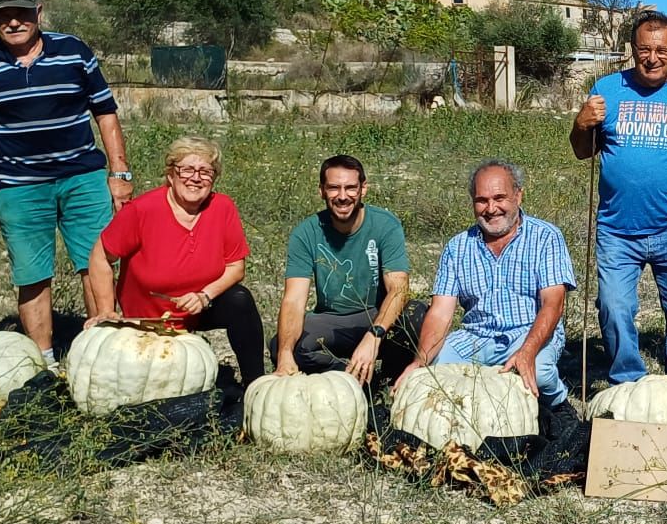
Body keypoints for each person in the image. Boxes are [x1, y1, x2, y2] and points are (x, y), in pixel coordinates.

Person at [0, 0, 133, 364]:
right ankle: (43, 363)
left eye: (21, 13)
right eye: (4, 15)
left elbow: (105, 112)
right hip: (16, 186)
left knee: (97, 262)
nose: (14, 22)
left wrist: (119, 173)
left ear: (38, 13)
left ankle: (101, 355)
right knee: (32, 272)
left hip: (82, 178)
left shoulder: (73, 51)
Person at [571, 10, 667, 386]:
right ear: (632, 49)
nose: (652, 58)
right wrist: (581, 123)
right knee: (614, 308)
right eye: (644, 49)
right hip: (617, 230)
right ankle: (627, 383)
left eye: (662, 51)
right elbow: (582, 151)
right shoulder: (607, 90)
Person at [398, 160, 576, 422]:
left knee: (537, 374)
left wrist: (527, 352)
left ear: (518, 195)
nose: (491, 209)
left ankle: (559, 405)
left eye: (499, 198)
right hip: (476, 336)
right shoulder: (457, 247)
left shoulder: (546, 237)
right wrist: (420, 361)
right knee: (431, 375)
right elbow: (440, 313)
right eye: (482, 200)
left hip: (528, 332)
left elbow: (553, 304)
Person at [84, 137, 264, 387]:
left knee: (240, 300)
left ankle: (255, 384)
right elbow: (101, 256)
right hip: (146, 323)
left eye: (205, 172)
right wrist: (106, 311)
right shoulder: (142, 210)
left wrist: (204, 296)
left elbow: (236, 267)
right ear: (171, 175)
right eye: (187, 170)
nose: (196, 178)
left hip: (196, 311)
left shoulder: (222, 207)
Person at [273, 155, 418, 385]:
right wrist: (284, 354)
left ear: (363, 189)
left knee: (417, 315)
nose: (342, 196)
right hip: (333, 320)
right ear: (322, 191)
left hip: (376, 314)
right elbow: (294, 300)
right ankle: (352, 378)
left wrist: (374, 334)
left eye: (350, 187)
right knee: (284, 345)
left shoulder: (385, 224)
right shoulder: (306, 233)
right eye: (333, 188)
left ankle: (391, 378)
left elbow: (399, 289)